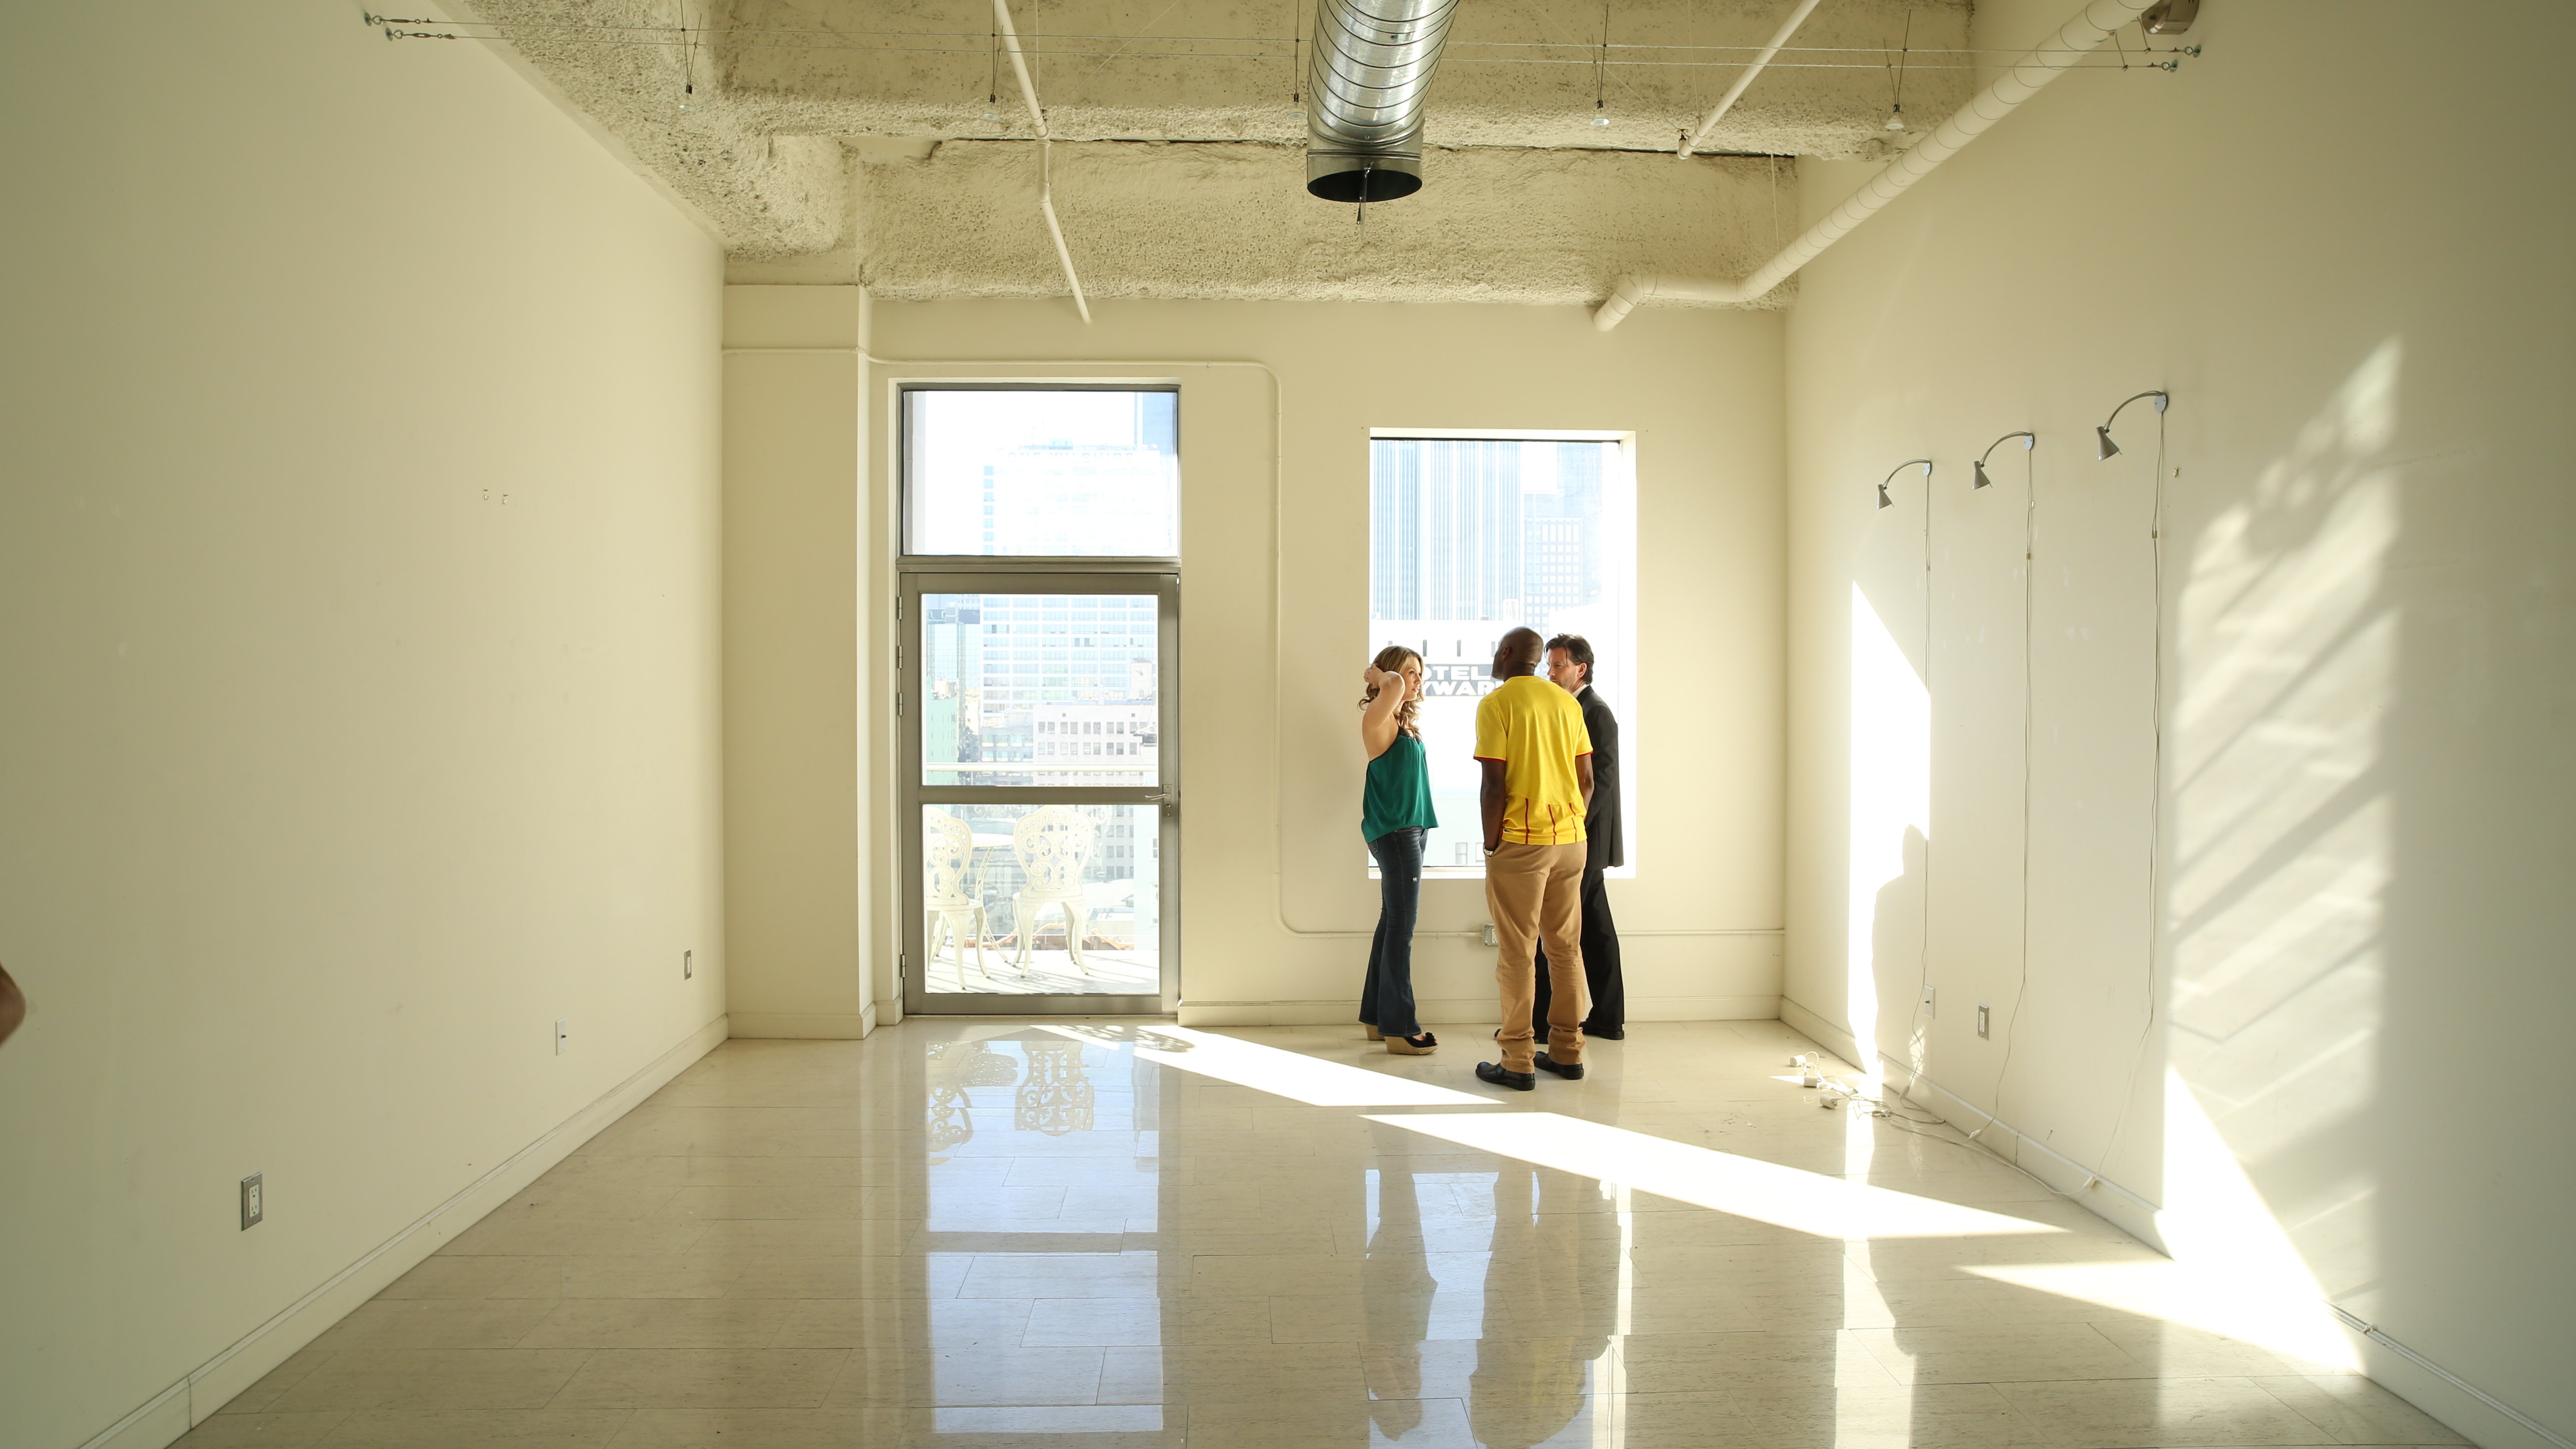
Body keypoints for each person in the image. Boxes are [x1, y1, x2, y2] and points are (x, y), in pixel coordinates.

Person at [1471, 627, 1592, 1090]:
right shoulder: (1567, 702)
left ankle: (1518, 1059)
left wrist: (1490, 844)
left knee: (1518, 953)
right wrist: (1572, 822)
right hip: (1571, 840)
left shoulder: (1497, 704)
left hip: (1523, 842)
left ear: (1507, 655)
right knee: (1565, 949)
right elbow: (1586, 779)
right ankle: (1566, 1050)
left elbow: (1494, 786)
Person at [1530, 633, 1626, 1040]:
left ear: (1580, 669)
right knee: (1591, 930)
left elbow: (1600, 781)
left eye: (1557, 666)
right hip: (1580, 838)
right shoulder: (1573, 707)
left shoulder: (1594, 711)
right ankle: (1605, 1019)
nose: (1550, 674)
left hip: (1583, 838)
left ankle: (1543, 1023)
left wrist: (1572, 828)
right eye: (1548, 666)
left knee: (1564, 930)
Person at [1357, 646, 1439, 1055]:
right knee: (1401, 930)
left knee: (1392, 923)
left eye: (1420, 674)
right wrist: (1377, 674)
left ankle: (1377, 1018)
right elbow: (1390, 684)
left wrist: (1390, 678)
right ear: (1389, 676)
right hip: (1395, 832)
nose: (1415, 681)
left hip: (1410, 830)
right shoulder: (1377, 716)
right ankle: (1400, 1027)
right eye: (1409, 672)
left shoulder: (1399, 723)